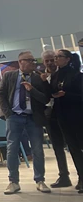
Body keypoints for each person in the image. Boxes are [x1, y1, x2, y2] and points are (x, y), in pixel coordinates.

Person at [0, 51, 52, 195]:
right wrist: (8, 113)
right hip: (14, 117)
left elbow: (45, 99)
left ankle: (40, 180)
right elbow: (1, 94)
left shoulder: (38, 78)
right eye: (30, 60)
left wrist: (31, 90)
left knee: (37, 150)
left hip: (33, 117)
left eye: (34, 60)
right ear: (20, 62)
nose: (33, 63)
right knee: (12, 149)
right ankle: (13, 181)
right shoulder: (9, 76)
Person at [51, 49, 83, 192]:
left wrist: (66, 95)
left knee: (80, 147)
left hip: (77, 116)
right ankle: (81, 177)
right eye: (55, 57)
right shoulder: (55, 76)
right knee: (74, 149)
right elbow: (51, 92)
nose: (56, 59)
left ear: (68, 59)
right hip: (62, 117)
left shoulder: (77, 75)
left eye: (59, 57)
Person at [40, 50, 72, 188]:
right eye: (46, 61)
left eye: (52, 60)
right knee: (57, 146)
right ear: (43, 62)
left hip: (67, 112)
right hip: (49, 113)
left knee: (74, 144)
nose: (50, 63)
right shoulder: (41, 77)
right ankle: (64, 175)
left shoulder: (65, 74)